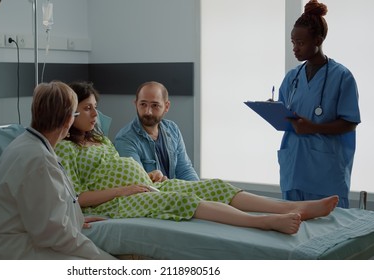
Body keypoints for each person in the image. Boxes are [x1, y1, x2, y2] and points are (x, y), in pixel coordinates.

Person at [55, 81, 339, 235]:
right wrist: (126, 189)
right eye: (88, 109)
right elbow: (75, 197)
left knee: (214, 186)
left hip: (147, 185)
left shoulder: (101, 139)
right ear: (71, 113)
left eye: (95, 108)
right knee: (185, 200)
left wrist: (148, 176)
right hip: (119, 202)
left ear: (166, 107)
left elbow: (181, 169)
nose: (96, 114)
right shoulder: (65, 149)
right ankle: (264, 221)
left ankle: (294, 206)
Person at [0, 81, 114, 260]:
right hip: (24, 253)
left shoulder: (27, 145)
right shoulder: (38, 159)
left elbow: (46, 208)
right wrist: (103, 258)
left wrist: (75, 219)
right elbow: (52, 233)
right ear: (68, 119)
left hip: (31, 241)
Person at [278, 0, 361, 208]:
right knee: (294, 229)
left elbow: (350, 122)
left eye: (301, 43)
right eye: (293, 42)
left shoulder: (342, 77)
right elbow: (283, 113)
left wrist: (313, 128)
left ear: (318, 40)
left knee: (330, 231)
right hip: (294, 165)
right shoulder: (292, 78)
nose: (295, 48)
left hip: (325, 170)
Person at [114, 81, 199, 181]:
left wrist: (199, 190)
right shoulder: (125, 139)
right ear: (136, 104)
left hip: (173, 191)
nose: (148, 112)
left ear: (166, 107)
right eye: (143, 104)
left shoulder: (172, 129)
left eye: (155, 105)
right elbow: (139, 182)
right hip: (151, 195)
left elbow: (185, 170)